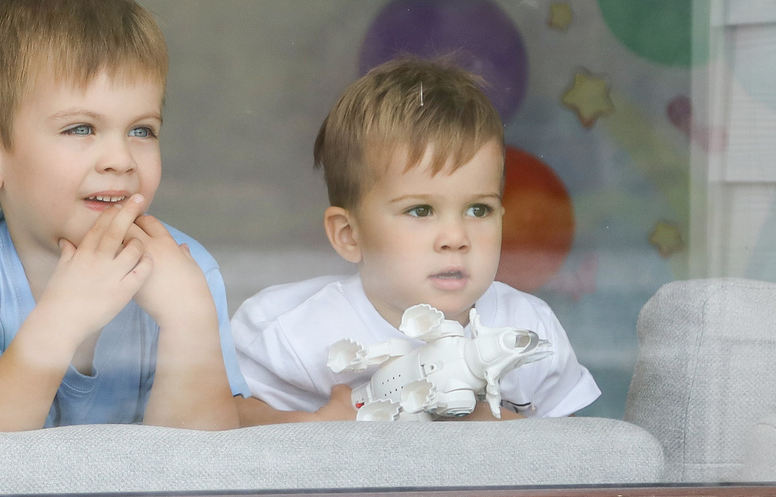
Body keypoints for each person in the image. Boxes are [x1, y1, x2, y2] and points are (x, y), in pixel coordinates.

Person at [0, 0, 245, 431]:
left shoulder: (186, 273)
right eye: (80, 129)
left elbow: (205, 472)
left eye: (141, 130)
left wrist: (190, 323)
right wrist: (61, 320)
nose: (121, 159)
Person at [232, 57, 597, 424]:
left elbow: (579, 458)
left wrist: (503, 433)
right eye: (421, 211)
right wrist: (317, 429)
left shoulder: (530, 330)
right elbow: (220, 421)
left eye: (478, 210)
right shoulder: (294, 330)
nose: (456, 238)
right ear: (349, 235)